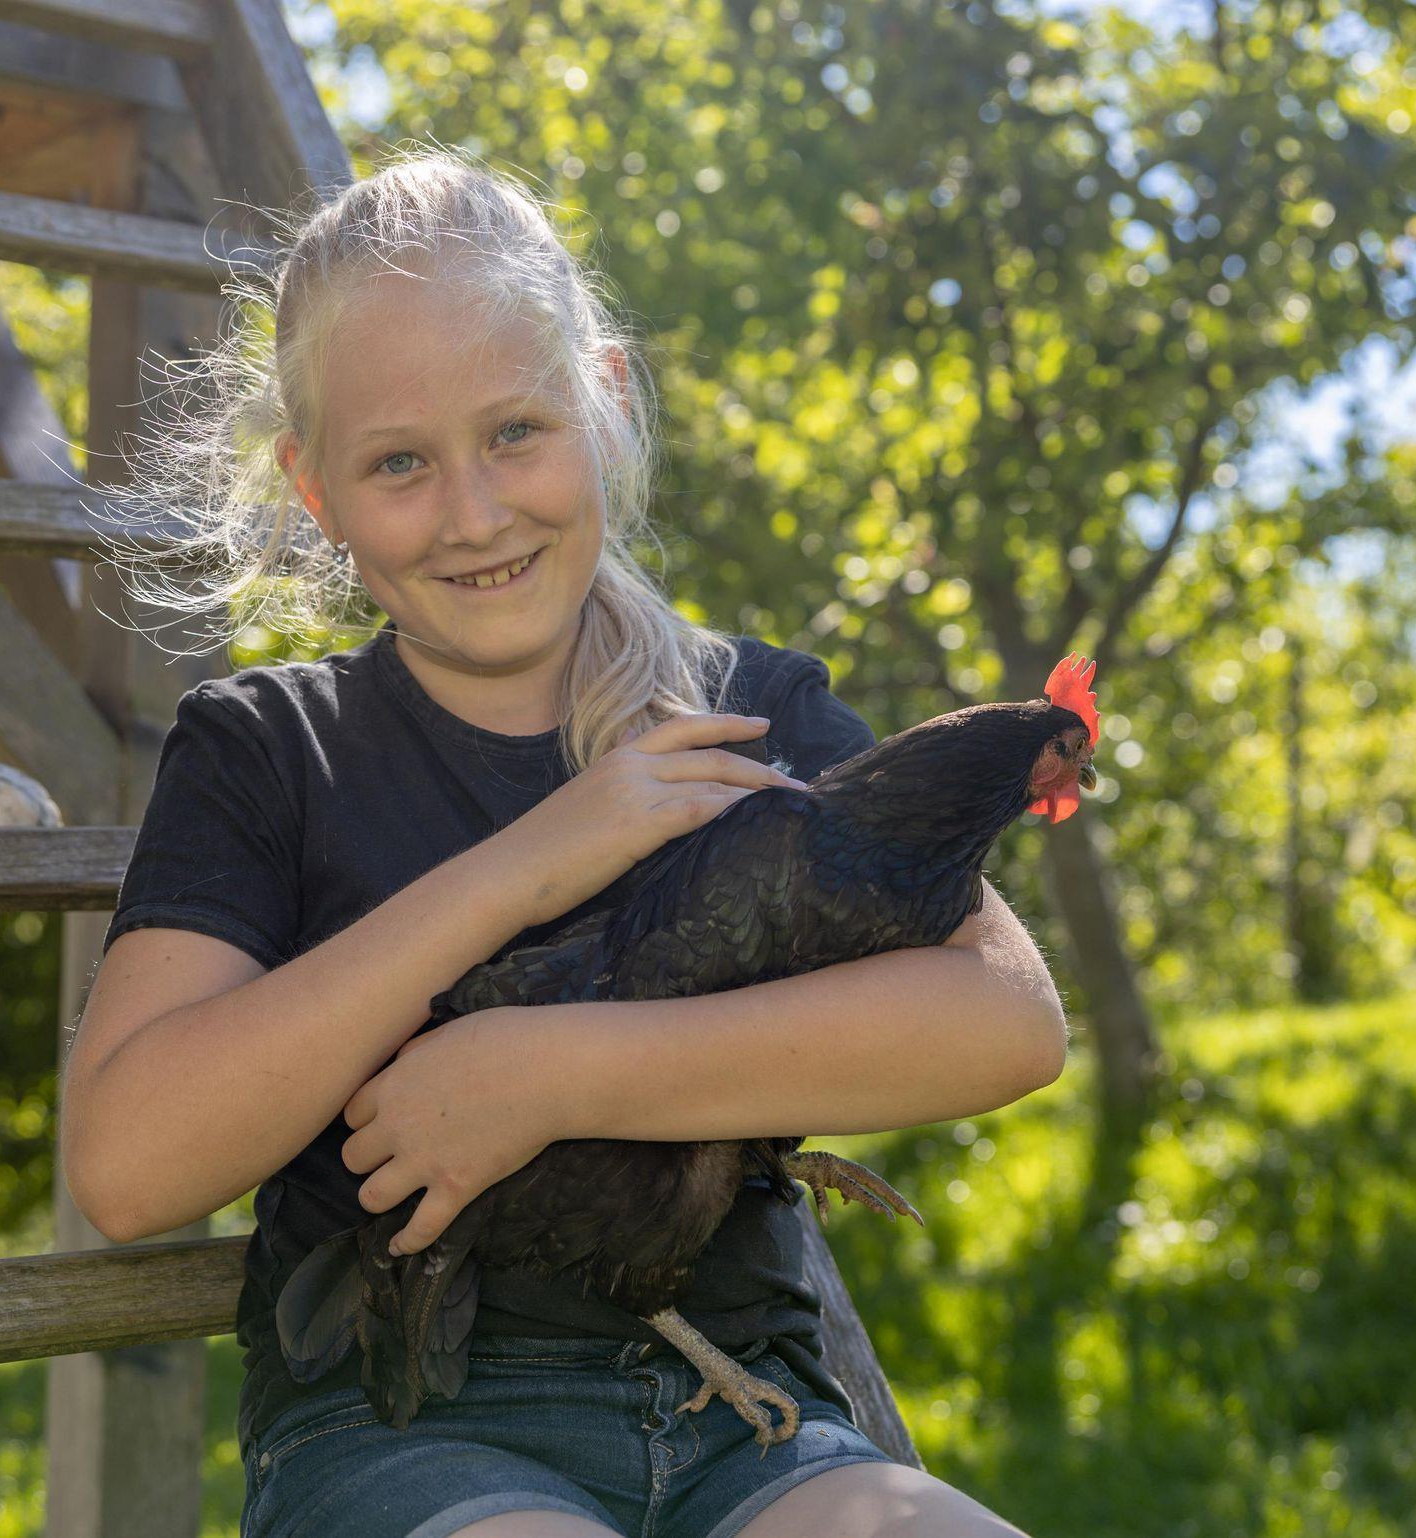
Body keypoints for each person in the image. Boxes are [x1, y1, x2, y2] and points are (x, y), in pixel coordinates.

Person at [62, 143, 1066, 1538]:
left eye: (516, 432)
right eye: (400, 463)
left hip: (749, 1424)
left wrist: (543, 1073)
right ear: (314, 489)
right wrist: (528, 865)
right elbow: (128, 1167)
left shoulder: (747, 711)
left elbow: (1006, 1022)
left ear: (603, 401)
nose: (474, 514)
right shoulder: (272, 749)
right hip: (403, 1428)